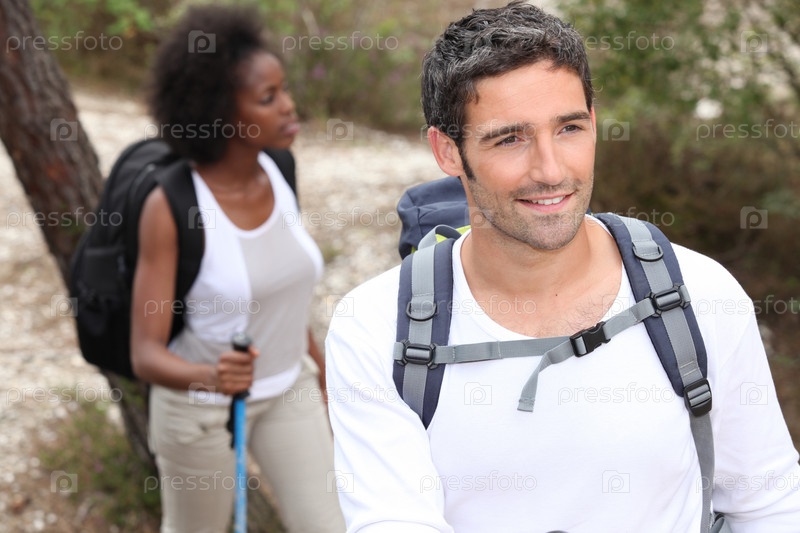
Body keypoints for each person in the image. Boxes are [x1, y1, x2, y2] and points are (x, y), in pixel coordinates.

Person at [324, 2, 800, 532]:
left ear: (594, 123)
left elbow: (771, 507)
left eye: (569, 128)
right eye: (510, 138)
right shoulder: (374, 328)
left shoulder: (702, 294)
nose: (550, 171)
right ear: (448, 151)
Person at [130, 6, 345, 532]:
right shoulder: (171, 205)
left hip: (289, 387)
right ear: (220, 114)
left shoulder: (280, 168)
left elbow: (285, 293)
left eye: (284, 89)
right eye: (268, 98)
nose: (289, 105)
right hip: (199, 408)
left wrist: (322, 378)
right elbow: (145, 354)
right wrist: (211, 376)